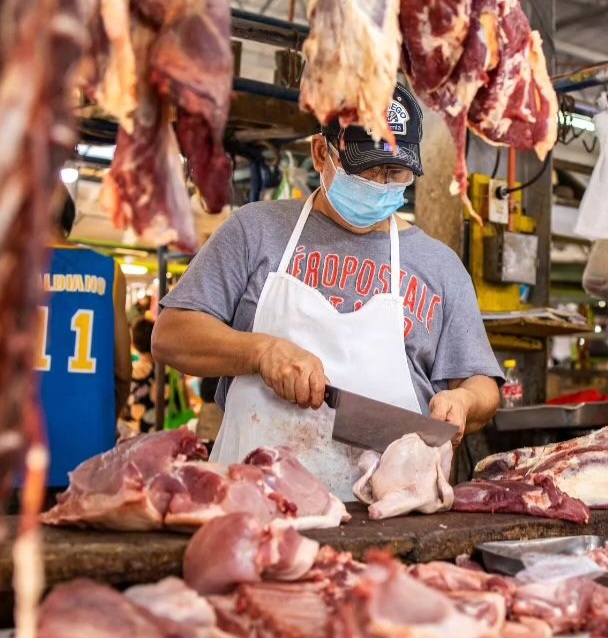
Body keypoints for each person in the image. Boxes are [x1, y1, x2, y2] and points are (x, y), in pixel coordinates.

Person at [152, 85, 502, 500]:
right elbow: (170, 334)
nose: (381, 185)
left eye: (396, 174)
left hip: (384, 516)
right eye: (366, 171)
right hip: (254, 504)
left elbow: (483, 386)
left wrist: (463, 401)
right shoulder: (254, 231)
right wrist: (260, 352)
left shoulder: (440, 266)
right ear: (321, 154)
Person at [36, 193, 131, 489]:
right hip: (88, 452)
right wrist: (102, 420)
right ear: (69, 218)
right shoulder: (109, 271)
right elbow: (123, 371)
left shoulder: (4, 268)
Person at [126, 318, 158, 434]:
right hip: (168, 433)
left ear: (134, 343)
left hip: (138, 435)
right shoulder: (169, 371)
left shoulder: (130, 373)